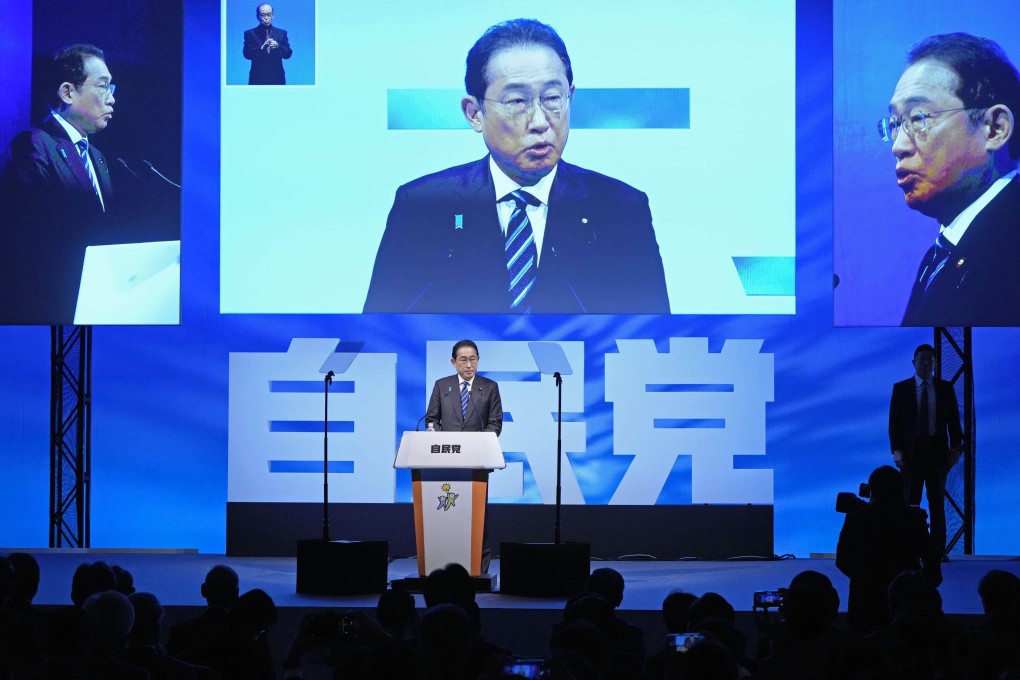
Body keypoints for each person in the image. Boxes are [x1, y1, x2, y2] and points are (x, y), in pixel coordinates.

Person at [363, 18, 670, 314]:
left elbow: (656, 344)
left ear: (570, 98)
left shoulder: (620, 208)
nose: (539, 122)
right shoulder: (423, 207)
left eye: (552, 98)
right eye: (516, 102)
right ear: (474, 113)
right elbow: (377, 341)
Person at [878, 33, 1020, 326]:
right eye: (894, 124)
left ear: (994, 129)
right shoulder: (941, 254)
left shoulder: (1009, 250)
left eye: (919, 119)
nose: (898, 146)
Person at [0, 44, 117, 324]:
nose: (111, 98)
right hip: (53, 301)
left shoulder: (97, 157)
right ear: (68, 92)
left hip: (100, 297)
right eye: (103, 86)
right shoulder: (34, 143)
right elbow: (30, 232)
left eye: (113, 87)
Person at [836, 465, 942, 636]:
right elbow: (930, 557)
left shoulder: (856, 519)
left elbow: (842, 560)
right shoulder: (913, 519)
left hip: (864, 601)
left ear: (872, 490)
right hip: (906, 602)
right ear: (901, 490)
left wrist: (865, 579)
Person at [889, 343, 964, 556]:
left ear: (935, 363)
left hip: (936, 454)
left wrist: (956, 449)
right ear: (914, 362)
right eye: (922, 359)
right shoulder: (901, 389)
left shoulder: (945, 388)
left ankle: (937, 550)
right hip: (910, 455)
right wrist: (897, 449)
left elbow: (954, 423)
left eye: (930, 359)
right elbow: (894, 424)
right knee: (909, 502)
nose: (926, 362)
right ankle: (907, 550)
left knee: (937, 502)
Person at [425, 340, 502, 434]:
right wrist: (440, 438)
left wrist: (481, 441)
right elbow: (431, 419)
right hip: (449, 446)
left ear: (478, 359)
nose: (469, 365)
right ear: (453, 362)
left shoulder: (490, 387)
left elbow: (495, 423)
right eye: (463, 360)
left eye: (473, 359)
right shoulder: (441, 385)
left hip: (478, 446)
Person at [243, 3, 292, 85]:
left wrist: (278, 46)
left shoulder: (282, 33)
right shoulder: (250, 33)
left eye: (269, 15)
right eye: (263, 15)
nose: (266, 18)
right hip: (257, 77)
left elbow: (288, 54)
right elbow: (247, 54)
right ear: (257, 16)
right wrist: (261, 48)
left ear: (273, 16)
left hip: (277, 77)